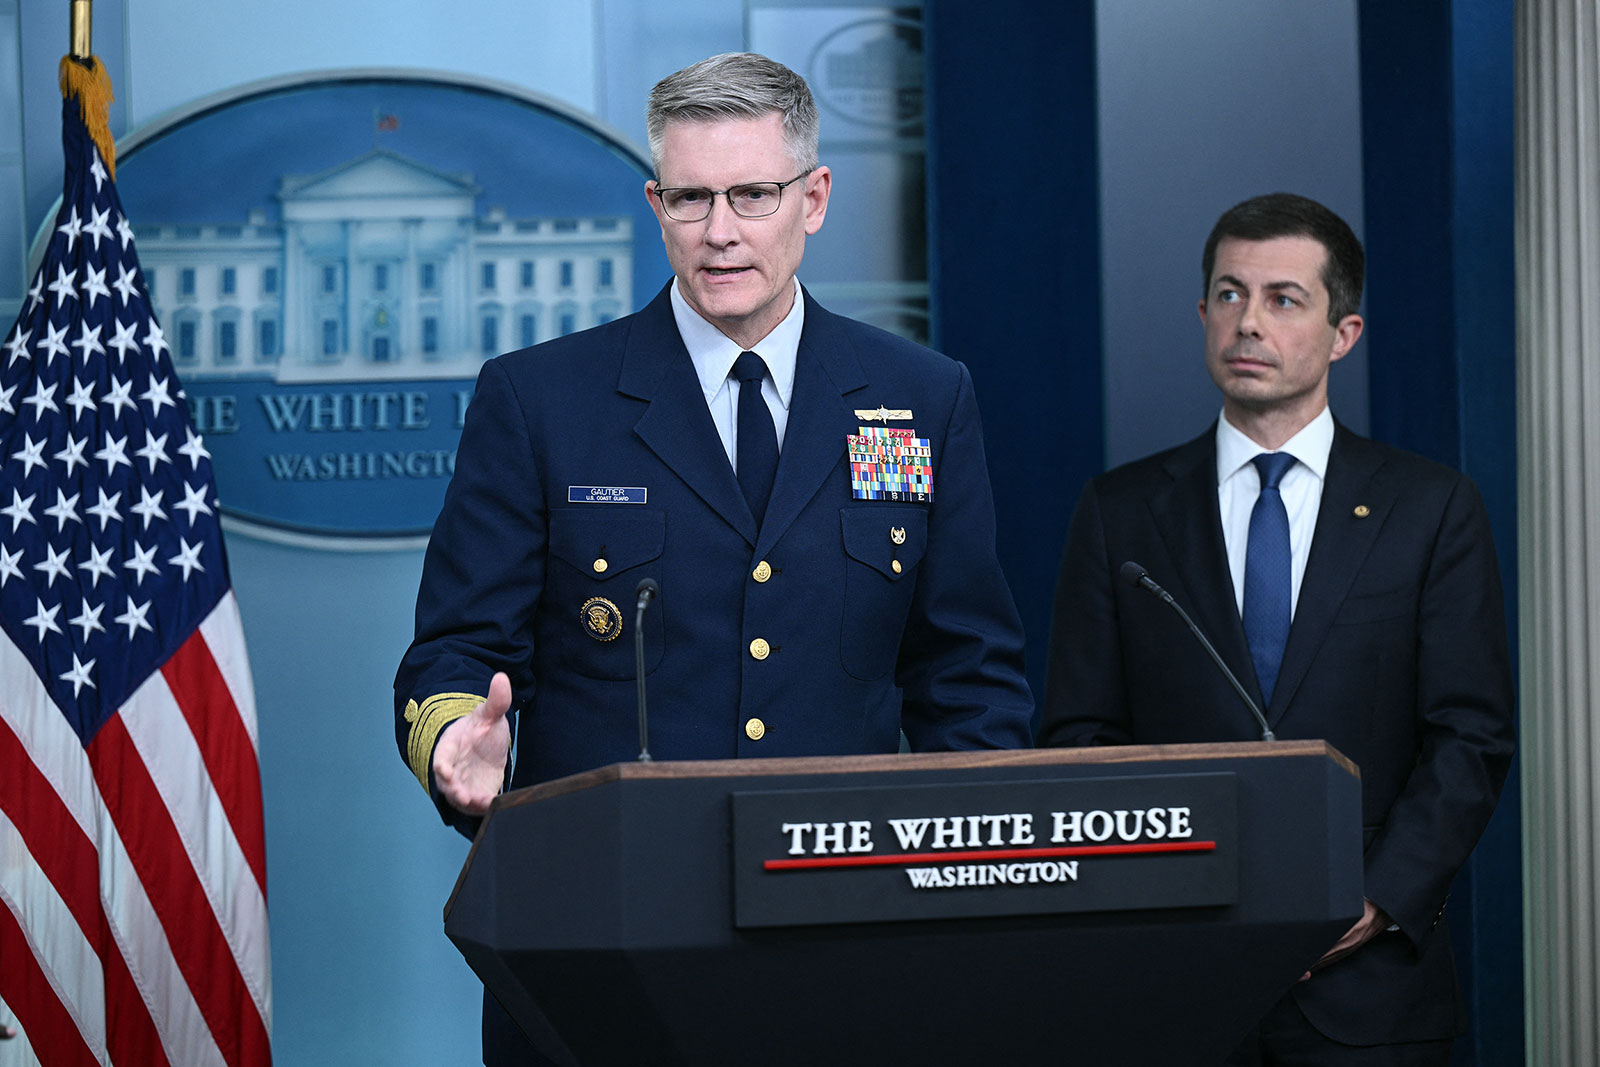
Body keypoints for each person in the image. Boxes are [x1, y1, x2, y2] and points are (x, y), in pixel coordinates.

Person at [394, 51, 1032, 1064]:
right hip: (598, 946)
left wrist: (951, 890)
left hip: (848, 943)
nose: (720, 230)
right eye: (690, 197)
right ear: (655, 203)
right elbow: (455, 651)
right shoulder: (540, 398)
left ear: (814, 198)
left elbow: (969, 674)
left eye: (752, 193)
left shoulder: (920, 396)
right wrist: (451, 748)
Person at [1037, 192, 1515, 1065]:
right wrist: (1165, 893)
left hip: (1368, 992)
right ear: (1202, 313)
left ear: (1344, 333)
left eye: (1282, 299)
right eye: (1229, 294)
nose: (1247, 322)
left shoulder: (1429, 507)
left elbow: (1471, 736)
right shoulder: (1122, 513)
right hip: (1174, 982)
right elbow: (1080, 731)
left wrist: (1371, 903)